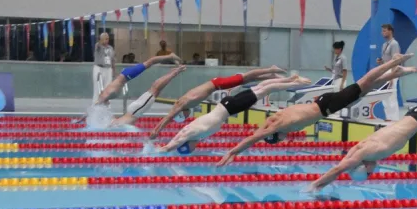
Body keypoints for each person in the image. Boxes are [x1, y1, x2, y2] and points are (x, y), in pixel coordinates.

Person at [216, 54, 417, 166]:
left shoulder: (281, 124)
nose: (283, 140)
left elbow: (255, 137)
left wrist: (233, 151)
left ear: (277, 135)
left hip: (327, 106)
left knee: (365, 82)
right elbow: (259, 131)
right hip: (323, 102)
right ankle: (395, 72)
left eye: (279, 139)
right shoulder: (277, 118)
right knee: (364, 90)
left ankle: (394, 63)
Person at [156, 75, 311, 154]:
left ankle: (295, 82)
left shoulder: (193, 133)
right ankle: (291, 79)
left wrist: (165, 149)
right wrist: (167, 145)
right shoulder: (195, 135)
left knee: (265, 90)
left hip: (230, 108)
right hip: (227, 105)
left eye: (190, 149)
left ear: (187, 145)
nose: (194, 148)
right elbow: (179, 136)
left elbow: (179, 138)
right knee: (261, 87)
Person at [147, 65, 286, 139]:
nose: (187, 116)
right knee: (247, 79)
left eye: (184, 116)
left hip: (216, 84)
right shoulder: (185, 105)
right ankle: (271, 75)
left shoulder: (181, 104)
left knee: (246, 77)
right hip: (217, 85)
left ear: (181, 113)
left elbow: (168, 117)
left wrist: (156, 131)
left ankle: (270, 69)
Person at [91, 53, 182, 109]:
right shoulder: (106, 95)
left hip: (127, 75)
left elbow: (96, 104)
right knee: (149, 62)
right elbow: (97, 104)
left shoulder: (105, 96)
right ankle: (171, 57)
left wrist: (86, 115)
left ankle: (171, 56)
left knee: (149, 62)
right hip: (125, 75)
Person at [110, 65, 186, 127]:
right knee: (155, 89)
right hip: (134, 110)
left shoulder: (116, 125)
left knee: (155, 89)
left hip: (136, 111)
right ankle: (172, 73)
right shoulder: (116, 124)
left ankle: (174, 73)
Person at [376, 25, 401, 119]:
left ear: (390, 31)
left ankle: (394, 119)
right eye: (382, 31)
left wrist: (392, 76)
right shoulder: (384, 44)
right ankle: (388, 117)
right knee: (385, 97)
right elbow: (387, 61)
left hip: (391, 72)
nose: (383, 33)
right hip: (385, 71)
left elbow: (396, 61)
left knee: (391, 96)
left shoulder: (394, 44)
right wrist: (381, 62)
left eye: (384, 31)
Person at [92, 33, 116, 104]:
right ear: (101, 39)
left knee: (108, 88)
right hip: (99, 68)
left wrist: (114, 70)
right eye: (105, 38)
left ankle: (107, 105)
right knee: (97, 87)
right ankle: (95, 104)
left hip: (108, 69)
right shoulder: (98, 46)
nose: (107, 40)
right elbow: (98, 44)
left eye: (108, 38)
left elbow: (112, 60)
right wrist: (101, 41)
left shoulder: (110, 48)